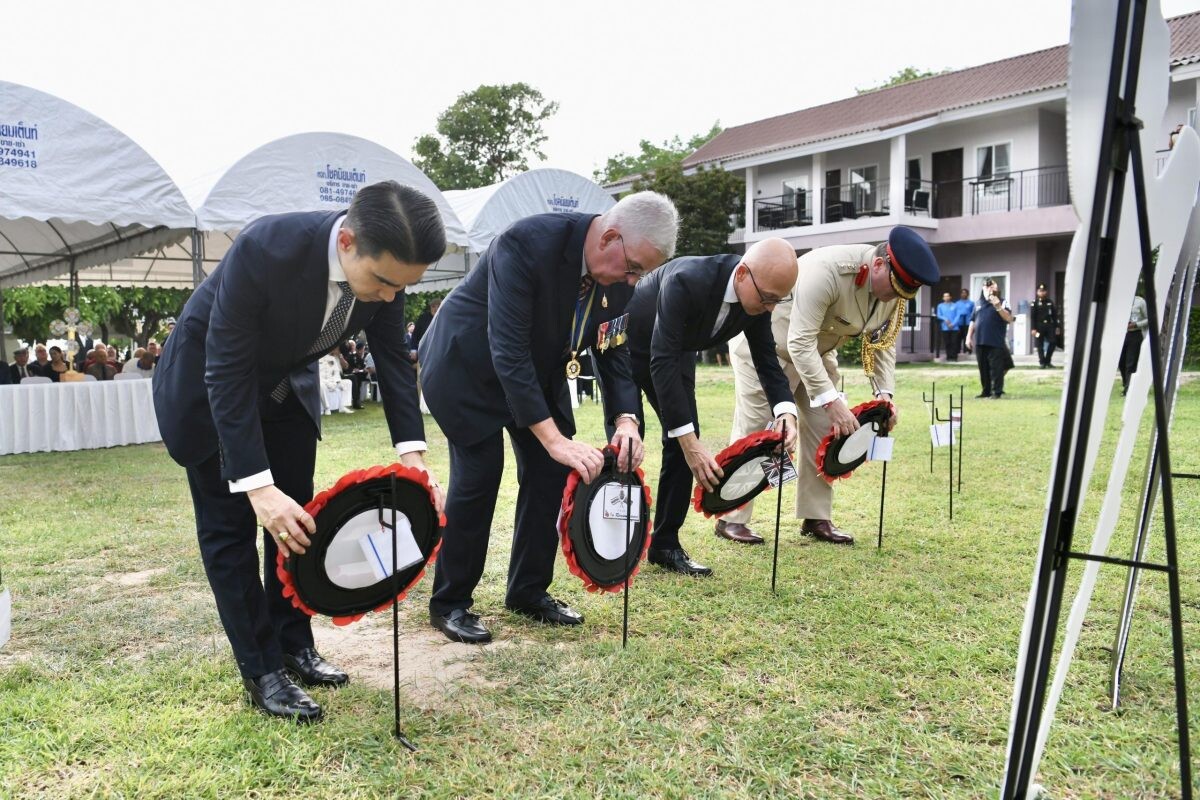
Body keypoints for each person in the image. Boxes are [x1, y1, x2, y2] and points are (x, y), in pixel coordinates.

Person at [152, 180, 447, 723]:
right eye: (383, 283)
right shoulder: (265, 247)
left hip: (287, 390)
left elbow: (393, 359)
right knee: (232, 531)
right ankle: (262, 668)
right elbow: (227, 369)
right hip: (211, 387)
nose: (389, 298)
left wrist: (413, 455)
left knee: (298, 524)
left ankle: (293, 643)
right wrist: (257, 486)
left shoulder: (387, 268)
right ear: (348, 242)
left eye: (400, 289)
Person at [419, 191, 677, 645]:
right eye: (633, 268)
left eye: (642, 273)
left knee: (551, 472)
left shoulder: (619, 275)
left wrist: (626, 420)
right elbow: (509, 351)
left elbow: (613, 350)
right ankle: (450, 601)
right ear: (610, 238)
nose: (634, 282)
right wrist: (553, 438)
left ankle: (528, 591)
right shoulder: (526, 243)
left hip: (538, 370)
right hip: (467, 366)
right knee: (480, 475)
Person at [619, 238, 800, 574]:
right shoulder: (687, 279)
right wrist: (689, 444)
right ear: (743, 274)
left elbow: (766, 359)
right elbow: (661, 360)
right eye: (768, 299)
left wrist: (785, 410)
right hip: (629, 349)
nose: (772, 308)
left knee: (686, 436)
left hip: (677, 350)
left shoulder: (758, 301)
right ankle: (616, 544)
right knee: (631, 442)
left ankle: (665, 544)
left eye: (779, 300)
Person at [786, 227, 941, 545]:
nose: (894, 298)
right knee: (762, 429)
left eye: (902, 294)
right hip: (773, 349)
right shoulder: (828, 271)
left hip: (819, 352)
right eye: (893, 289)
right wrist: (832, 401)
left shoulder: (893, 292)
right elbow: (798, 343)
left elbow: (883, 341)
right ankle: (733, 518)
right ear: (880, 264)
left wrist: (884, 396)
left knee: (821, 431)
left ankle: (816, 517)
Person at [716, 299, 803, 545]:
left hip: (812, 350)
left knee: (822, 425)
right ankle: (732, 515)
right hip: (763, 349)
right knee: (752, 429)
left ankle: (816, 515)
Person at [965, 279, 1014, 398]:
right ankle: (985, 391)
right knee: (983, 368)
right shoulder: (978, 303)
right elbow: (973, 321)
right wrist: (968, 337)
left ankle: (997, 392)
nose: (990, 288)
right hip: (980, 341)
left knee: (997, 368)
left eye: (993, 286)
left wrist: (997, 306)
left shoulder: (1003, 302)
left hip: (995, 341)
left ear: (997, 289)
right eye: (987, 286)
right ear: (983, 289)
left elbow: (1009, 319)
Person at [1120, 294, 1149, 396]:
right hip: (1121, 334)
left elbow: (1148, 318)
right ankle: (1126, 383)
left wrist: (1136, 324)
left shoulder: (1140, 301)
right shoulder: (1121, 300)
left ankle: (1128, 389)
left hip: (1135, 334)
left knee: (1130, 363)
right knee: (1121, 362)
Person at [1030, 282, 1060, 368]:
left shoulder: (1050, 302)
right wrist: (1033, 329)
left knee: (1053, 342)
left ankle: (1048, 361)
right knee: (1040, 345)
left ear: (1046, 292)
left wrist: (1057, 327)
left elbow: (1054, 315)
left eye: (1043, 291)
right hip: (1039, 327)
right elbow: (1033, 317)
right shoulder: (1034, 303)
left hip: (1050, 326)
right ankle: (1042, 362)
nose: (1042, 292)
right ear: (1037, 292)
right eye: (1040, 291)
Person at [318, 347, 354, 414]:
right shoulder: (316, 359)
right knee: (321, 385)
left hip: (332, 381)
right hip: (321, 381)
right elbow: (316, 375)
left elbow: (337, 373)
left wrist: (335, 381)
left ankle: (342, 406)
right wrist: (327, 382)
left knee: (348, 382)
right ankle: (327, 408)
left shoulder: (332, 358)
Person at [936, 291, 961, 361]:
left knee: (954, 342)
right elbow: (939, 315)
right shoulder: (940, 306)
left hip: (954, 327)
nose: (946, 297)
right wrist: (945, 319)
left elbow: (958, 316)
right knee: (947, 343)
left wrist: (953, 324)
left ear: (950, 297)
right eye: (945, 296)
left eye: (948, 296)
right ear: (943, 298)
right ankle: (949, 357)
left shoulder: (955, 305)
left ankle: (954, 357)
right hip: (945, 327)